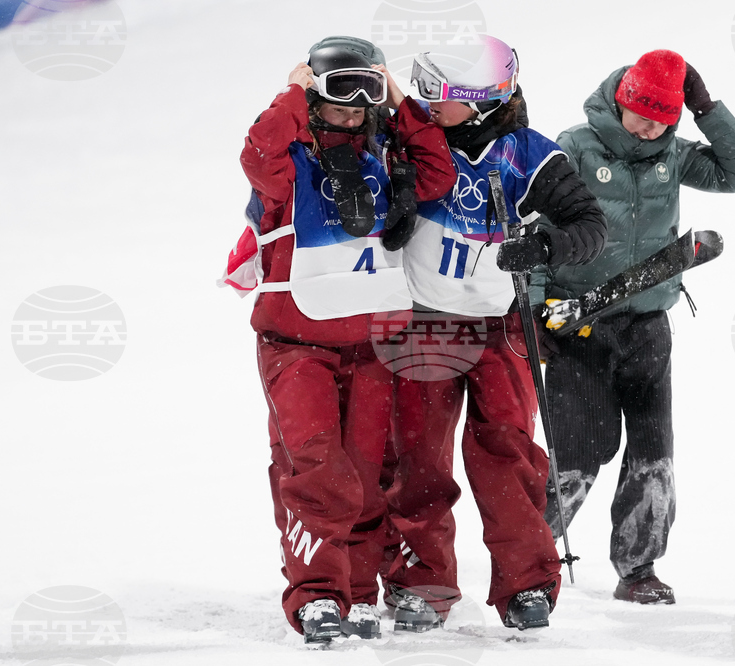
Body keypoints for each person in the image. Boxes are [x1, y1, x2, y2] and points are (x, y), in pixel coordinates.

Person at [224, 37, 455, 644]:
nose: (353, 108)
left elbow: (440, 173)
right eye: (338, 95)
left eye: (367, 94)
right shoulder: (289, 165)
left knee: (366, 473)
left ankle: (355, 593)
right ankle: (317, 596)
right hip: (296, 343)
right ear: (315, 97)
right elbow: (258, 151)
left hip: (372, 344)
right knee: (316, 468)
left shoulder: (389, 161)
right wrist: (293, 91)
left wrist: (402, 102)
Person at [380, 35, 607, 632]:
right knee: (418, 457)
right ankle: (421, 584)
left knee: (506, 453)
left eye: (440, 94)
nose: (427, 102)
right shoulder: (414, 143)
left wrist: (545, 245)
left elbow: (589, 225)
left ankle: (527, 584)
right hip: (422, 319)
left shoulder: (529, 155)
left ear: (479, 102)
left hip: (500, 324)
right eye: (422, 88)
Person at [532, 49, 735, 604]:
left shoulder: (675, 155)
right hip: (577, 325)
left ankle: (639, 569)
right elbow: (537, 228)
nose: (649, 126)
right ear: (621, 98)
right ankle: (529, 560)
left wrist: (708, 108)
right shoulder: (574, 148)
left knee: (653, 453)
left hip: (648, 323)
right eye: (640, 113)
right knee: (578, 453)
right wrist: (534, 312)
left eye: (664, 117)